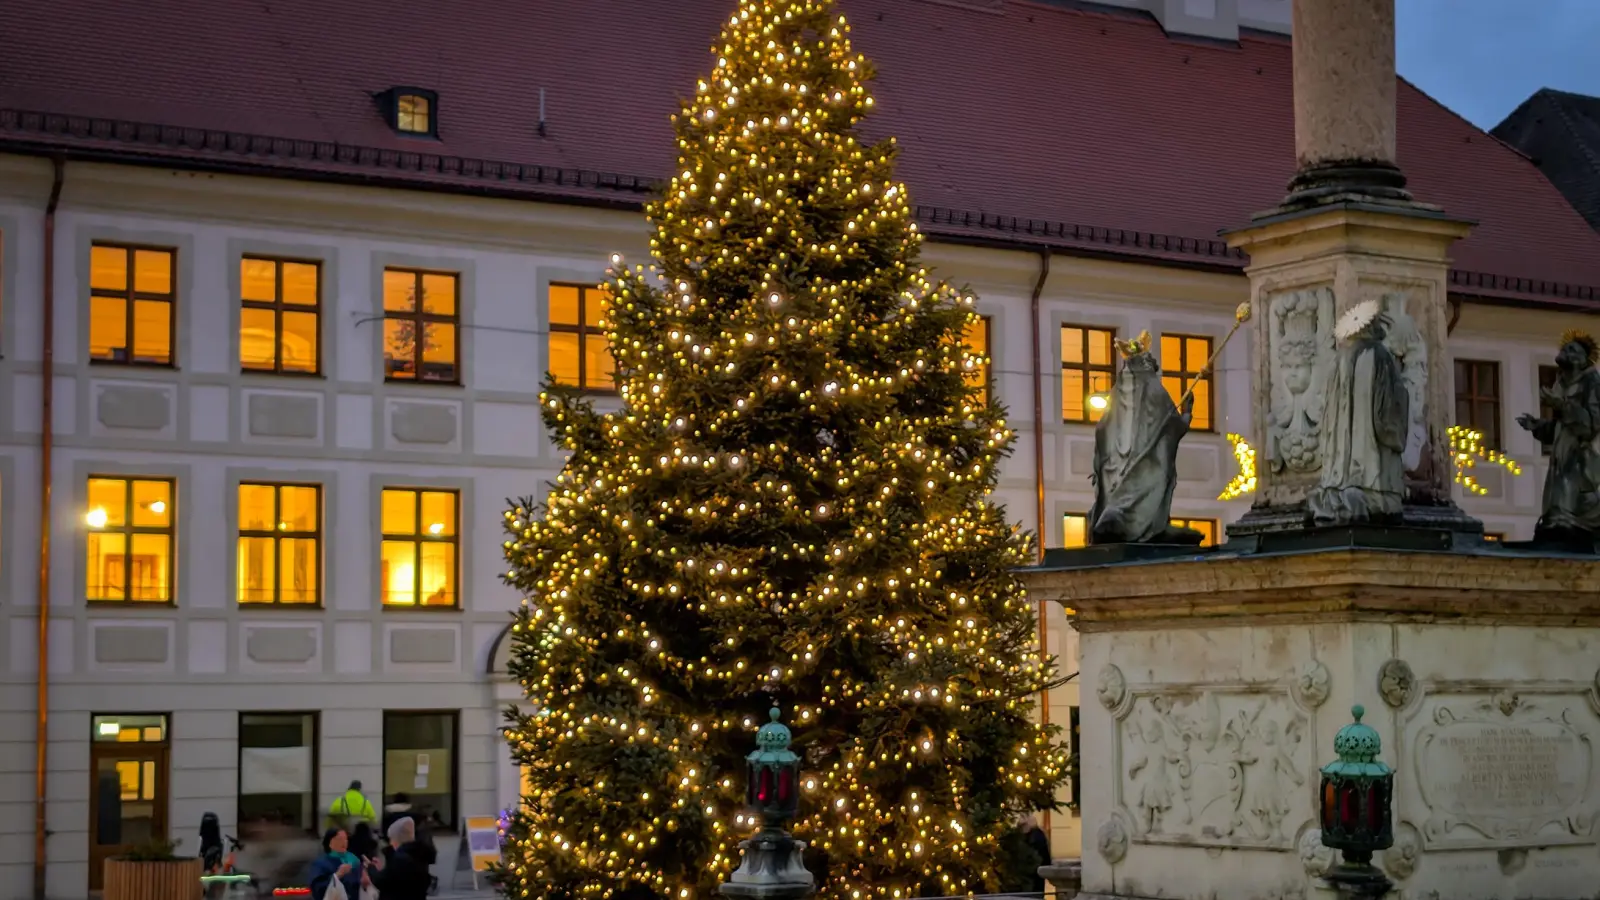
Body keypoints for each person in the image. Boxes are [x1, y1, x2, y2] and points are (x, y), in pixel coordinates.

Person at [1308, 299, 1408, 525]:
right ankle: (1372, 491)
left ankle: (1338, 486)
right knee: (1371, 462)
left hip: (1339, 456)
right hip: (1369, 454)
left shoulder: (1338, 359)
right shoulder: (1380, 355)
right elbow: (1387, 409)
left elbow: (1328, 411)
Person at [1518, 330, 1600, 538]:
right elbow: (1559, 428)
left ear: (1583, 361)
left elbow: (1591, 426)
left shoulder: (1591, 382)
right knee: (1556, 513)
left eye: (1573, 350)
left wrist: (1560, 405)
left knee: (1567, 508)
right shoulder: (1561, 384)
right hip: (1561, 457)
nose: (1566, 351)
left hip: (1579, 458)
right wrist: (1537, 426)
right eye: (1565, 348)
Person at [374, 817, 436, 900]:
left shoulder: (400, 859)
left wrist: (372, 869)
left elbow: (384, 881)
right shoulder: (418, 854)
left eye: (390, 839)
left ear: (396, 838)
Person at [307, 828, 376, 900]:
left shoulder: (354, 860)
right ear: (330, 842)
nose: (344, 842)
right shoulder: (320, 863)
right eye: (339, 839)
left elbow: (360, 884)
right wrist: (337, 875)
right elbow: (317, 889)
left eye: (346, 839)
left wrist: (366, 881)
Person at [1018, 813, 1051, 892]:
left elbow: (1044, 854)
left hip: (1035, 874)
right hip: (1024, 875)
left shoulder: (1037, 835)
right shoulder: (1018, 837)